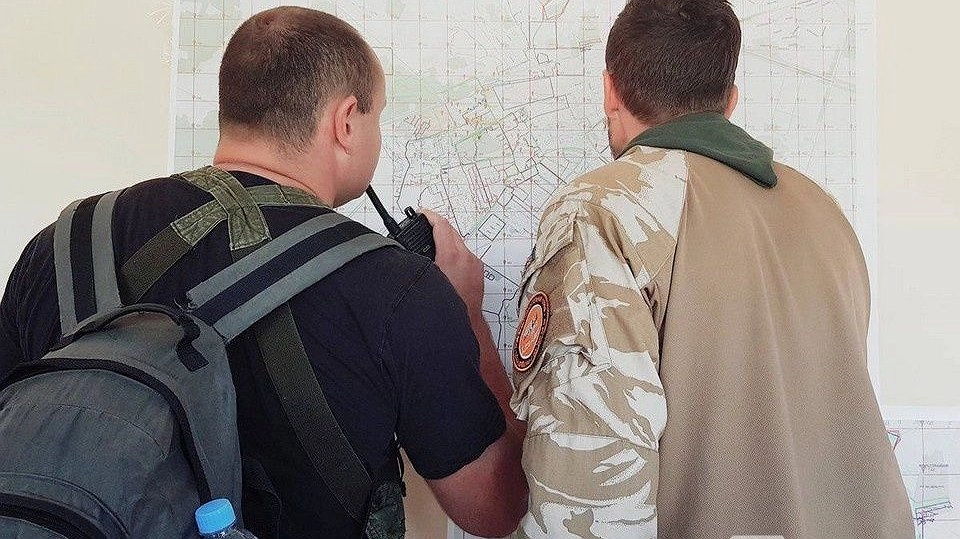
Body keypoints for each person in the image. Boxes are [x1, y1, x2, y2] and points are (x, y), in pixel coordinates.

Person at [0, 7, 526, 538]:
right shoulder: (399, 287)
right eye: (377, 118)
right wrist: (468, 313)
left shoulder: (63, 243)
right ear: (346, 122)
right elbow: (494, 507)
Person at [487, 0, 913, 537]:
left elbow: (589, 501)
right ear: (729, 101)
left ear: (610, 90)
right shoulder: (824, 213)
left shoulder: (602, 211)